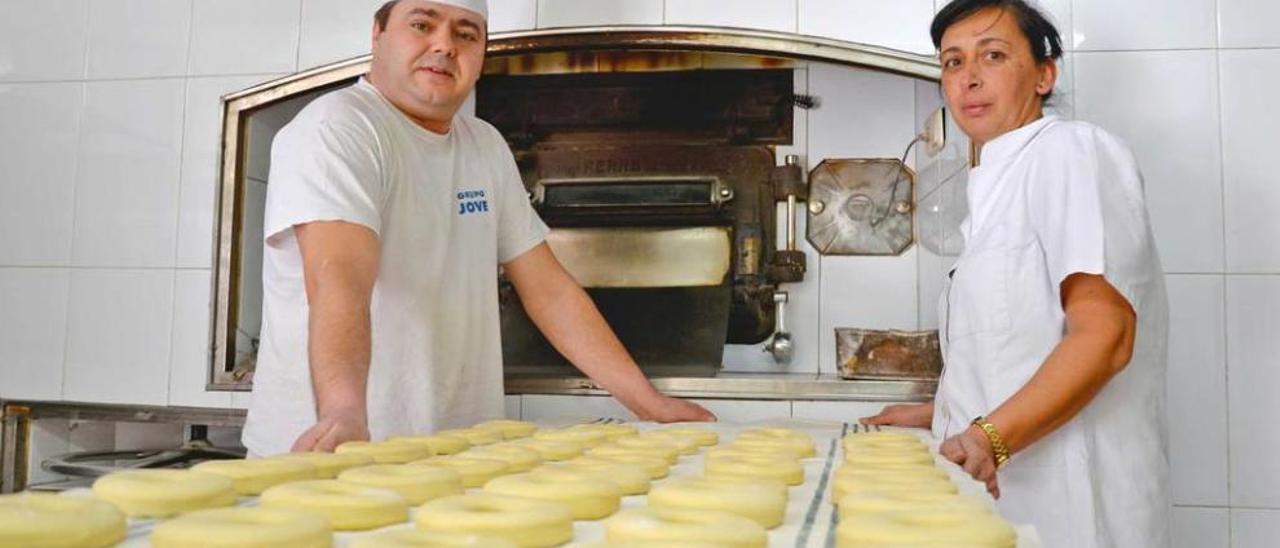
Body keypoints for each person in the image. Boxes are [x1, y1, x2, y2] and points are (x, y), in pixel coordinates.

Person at [242, 0, 714, 458]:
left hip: (457, 455)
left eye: (466, 34)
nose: (445, 46)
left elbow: (548, 290)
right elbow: (339, 275)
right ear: (378, 34)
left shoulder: (484, 145)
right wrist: (343, 410)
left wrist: (647, 403)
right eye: (423, 25)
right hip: (339, 454)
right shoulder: (339, 128)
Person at [860, 1, 1170, 546]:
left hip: (1071, 510)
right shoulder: (996, 186)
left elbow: (1107, 336)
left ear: (1044, 75)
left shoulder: (1069, 153)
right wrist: (944, 412)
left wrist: (988, 439)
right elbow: (1019, 348)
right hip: (1009, 508)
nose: (969, 78)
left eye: (994, 55)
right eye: (952, 63)